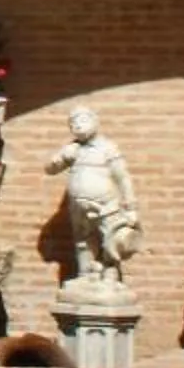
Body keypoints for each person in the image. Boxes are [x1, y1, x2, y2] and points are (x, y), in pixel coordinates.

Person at [45, 105, 142, 291]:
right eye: (73, 123)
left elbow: (122, 177)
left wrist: (131, 207)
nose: (77, 126)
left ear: (95, 122)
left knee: (110, 239)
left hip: (106, 204)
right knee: (82, 240)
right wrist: (60, 158)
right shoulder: (72, 149)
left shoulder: (107, 148)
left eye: (82, 121)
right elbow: (50, 170)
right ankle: (85, 274)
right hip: (79, 206)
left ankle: (110, 274)